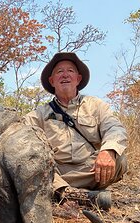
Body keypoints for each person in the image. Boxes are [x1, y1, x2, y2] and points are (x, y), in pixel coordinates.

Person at [22, 52, 128, 210]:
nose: (65, 75)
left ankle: (60, 193)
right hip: (55, 172)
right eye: (59, 72)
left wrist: (108, 151)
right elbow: (18, 132)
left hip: (89, 169)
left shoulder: (96, 105)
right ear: (52, 81)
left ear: (78, 78)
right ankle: (71, 193)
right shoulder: (39, 114)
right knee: (30, 166)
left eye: (70, 71)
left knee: (120, 160)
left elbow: (115, 128)